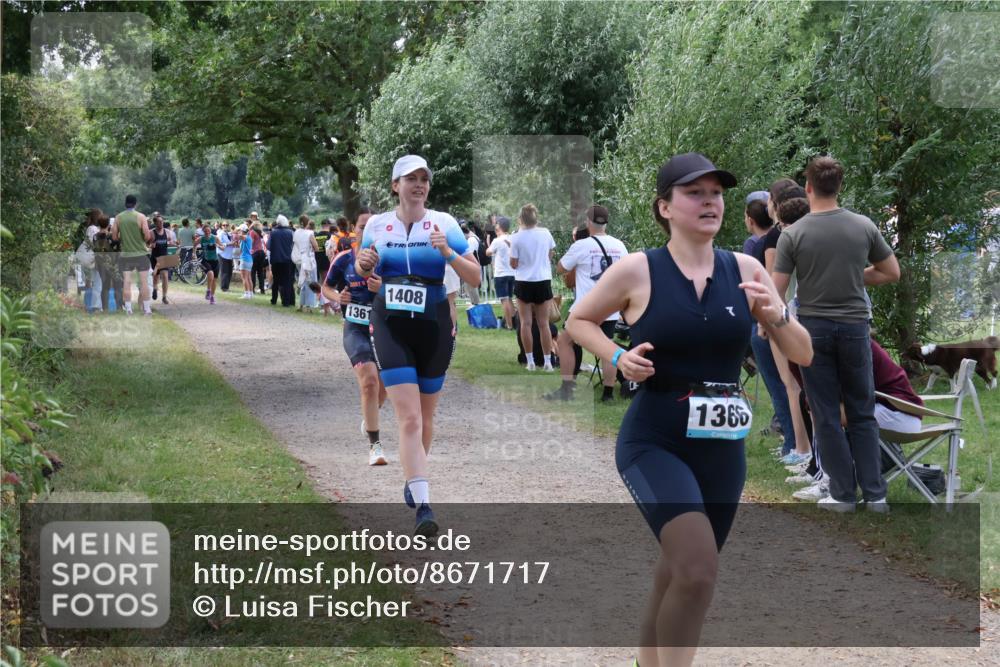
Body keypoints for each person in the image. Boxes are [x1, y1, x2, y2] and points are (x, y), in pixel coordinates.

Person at [566, 153, 812, 667]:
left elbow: (804, 352)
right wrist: (617, 356)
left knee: (681, 569)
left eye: (716, 193)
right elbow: (577, 319)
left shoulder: (744, 269)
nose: (710, 202)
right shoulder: (639, 269)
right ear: (665, 207)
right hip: (655, 440)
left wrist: (777, 316)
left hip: (722, 450)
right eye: (694, 193)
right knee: (697, 570)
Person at [354, 155, 480, 536]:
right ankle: (424, 504)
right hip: (390, 323)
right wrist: (363, 263)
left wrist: (448, 253)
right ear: (396, 185)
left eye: (424, 178)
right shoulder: (377, 225)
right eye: (411, 178)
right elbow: (363, 270)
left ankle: (415, 476)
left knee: (425, 418)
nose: (419, 184)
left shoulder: (443, 224)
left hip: (434, 324)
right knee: (407, 417)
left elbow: (474, 274)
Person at [773, 155, 900, 512]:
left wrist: (782, 329)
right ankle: (876, 495)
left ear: (809, 187)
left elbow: (775, 292)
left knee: (826, 412)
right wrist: (854, 275)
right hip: (856, 328)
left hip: (813, 330)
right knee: (862, 411)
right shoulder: (863, 226)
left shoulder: (793, 234)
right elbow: (891, 272)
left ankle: (843, 494)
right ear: (839, 186)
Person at [323, 212, 389, 466]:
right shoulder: (343, 259)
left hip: (384, 330)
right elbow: (327, 286)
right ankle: (375, 445)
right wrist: (338, 297)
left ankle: (369, 417)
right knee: (369, 381)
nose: (369, 231)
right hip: (356, 328)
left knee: (385, 389)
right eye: (363, 227)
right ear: (354, 229)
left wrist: (382, 289)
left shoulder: (388, 260)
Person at [550, 205, 628, 402]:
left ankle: (567, 389)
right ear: (606, 223)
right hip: (610, 308)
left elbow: (560, 268)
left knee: (564, 341)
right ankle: (608, 394)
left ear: (588, 222)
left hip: (586, 311)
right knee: (608, 348)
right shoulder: (620, 245)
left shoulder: (582, 245)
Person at [509, 203, 556, 371]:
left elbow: (513, 264)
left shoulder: (515, 237)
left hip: (523, 281)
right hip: (542, 279)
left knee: (526, 323)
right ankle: (548, 362)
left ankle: (530, 361)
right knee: (544, 324)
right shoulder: (546, 233)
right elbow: (550, 254)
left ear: (521, 218)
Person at [112, 194, 153, 316]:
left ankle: (129, 309)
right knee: (144, 282)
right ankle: (147, 309)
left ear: (125, 203)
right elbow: (147, 236)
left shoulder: (118, 218)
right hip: (141, 254)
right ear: (135, 204)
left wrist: (123, 238)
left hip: (125, 255)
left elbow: (114, 237)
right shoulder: (141, 217)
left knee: (127, 282)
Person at [486, 216, 515, 329]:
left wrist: (490, 247)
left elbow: (488, 252)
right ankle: (516, 321)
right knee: (510, 299)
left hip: (501, 274)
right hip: (512, 273)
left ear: (500, 227)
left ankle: (509, 325)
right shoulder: (512, 239)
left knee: (504, 300)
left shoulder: (497, 241)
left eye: (497, 224)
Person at [268, 214, 296, 307]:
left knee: (276, 280)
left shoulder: (273, 232)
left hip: (275, 259)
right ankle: (286, 302)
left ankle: (274, 300)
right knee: (287, 281)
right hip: (287, 260)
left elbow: (269, 246)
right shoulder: (291, 232)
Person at [294, 216, 320, 311]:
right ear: (307, 223)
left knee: (302, 281)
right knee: (311, 281)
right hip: (309, 259)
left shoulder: (296, 232)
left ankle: (301, 305)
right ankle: (309, 306)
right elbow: (316, 247)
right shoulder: (310, 233)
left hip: (300, 259)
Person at [149, 215, 175, 305]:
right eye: (159, 222)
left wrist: (174, 244)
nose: (161, 223)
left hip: (164, 258)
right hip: (155, 258)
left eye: (162, 221)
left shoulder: (167, 232)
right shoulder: (151, 233)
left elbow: (171, 243)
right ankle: (155, 288)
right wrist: (151, 245)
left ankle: (164, 296)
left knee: (165, 276)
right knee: (155, 277)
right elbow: (146, 245)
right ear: (155, 223)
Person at [198, 220, 220, 304]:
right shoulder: (201, 238)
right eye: (205, 231)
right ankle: (208, 290)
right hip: (206, 260)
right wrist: (193, 253)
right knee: (210, 274)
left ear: (210, 230)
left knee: (214, 280)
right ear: (203, 231)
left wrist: (219, 246)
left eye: (208, 230)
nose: (207, 232)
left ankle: (212, 296)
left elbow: (222, 246)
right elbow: (194, 245)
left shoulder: (215, 238)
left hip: (215, 260)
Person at [236, 224, 254, 298]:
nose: (238, 231)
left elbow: (240, 236)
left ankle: (246, 294)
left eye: (240, 230)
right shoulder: (248, 238)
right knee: (248, 277)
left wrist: (236, 232)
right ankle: (250, 293)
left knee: (244, 278)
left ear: (242, 231)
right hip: (249, 259)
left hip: (245, 259)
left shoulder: (246, 237)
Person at [217, 221, 236, 292]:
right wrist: (229, 244)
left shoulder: (229, 234)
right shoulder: (220, 234)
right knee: (224, 272)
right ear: (221, 226)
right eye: (223, 225)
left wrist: (233, 244)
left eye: (226, 225)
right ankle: (223, 287)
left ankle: (226, 287)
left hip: (229, 256)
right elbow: (219, 243)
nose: (225, 226)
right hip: (223, 255)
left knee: (229, 272)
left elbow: (232, 242)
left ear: (228, 226)